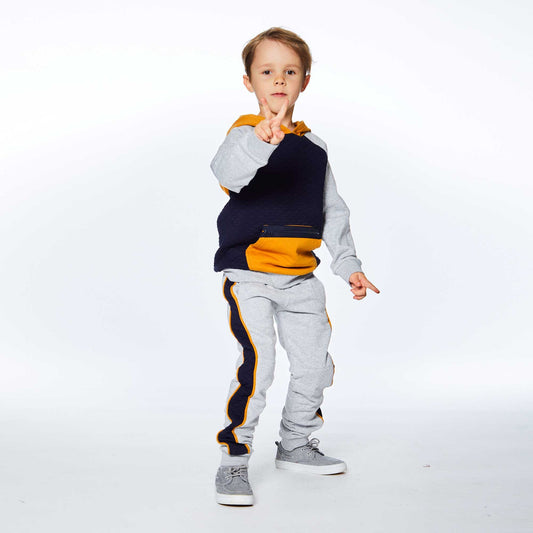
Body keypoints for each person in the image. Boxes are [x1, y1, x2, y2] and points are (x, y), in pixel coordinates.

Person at [210, 27, 380, 506]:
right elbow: (227, 174)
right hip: (250, 275)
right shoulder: (244, 134)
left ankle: (296, 442)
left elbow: (333, 211)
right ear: (249, 82)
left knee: (314, 365)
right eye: (267, 72)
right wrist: (262, 140)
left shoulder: (314, 148)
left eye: (290, 71)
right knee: (258, 365)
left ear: (305, 81)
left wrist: (348, 265)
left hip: (300, 278)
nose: (279, 80)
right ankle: (234, 457)